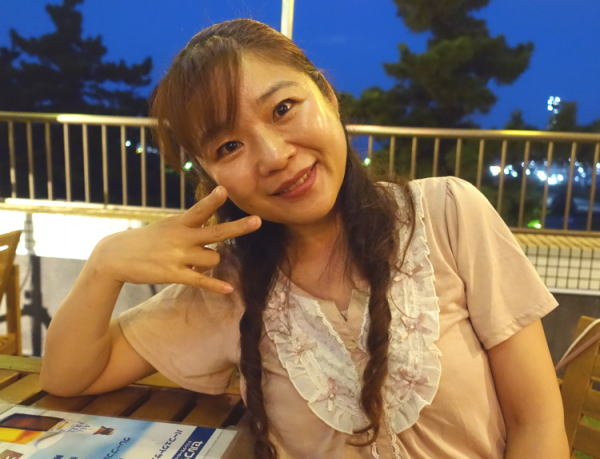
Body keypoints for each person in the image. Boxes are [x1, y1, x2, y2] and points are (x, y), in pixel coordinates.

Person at [40, 19, 569, 459]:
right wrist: (103, 265)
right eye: (228, 146)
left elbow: (538, 423)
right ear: (210, 174)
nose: (274, 156)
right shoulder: (229, 285)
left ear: (327, 96)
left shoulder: (447, 214)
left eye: (283, 108)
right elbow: (69, 376)